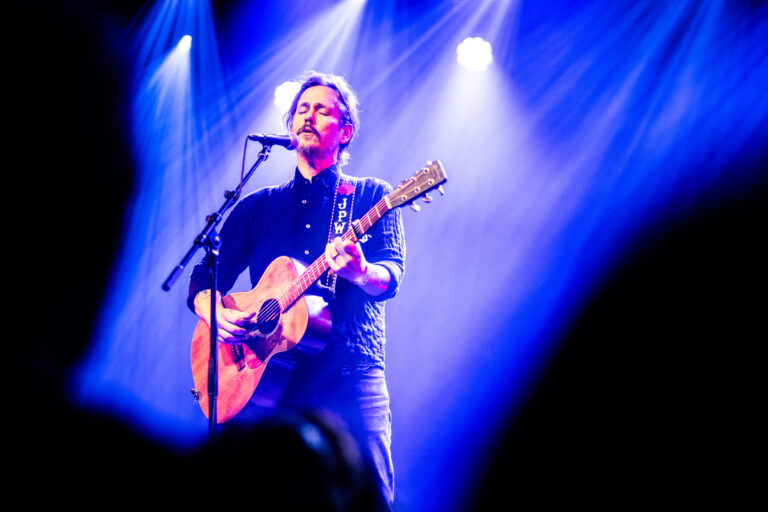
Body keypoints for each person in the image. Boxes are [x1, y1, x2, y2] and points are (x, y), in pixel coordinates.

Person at [187, 71, 405, 508]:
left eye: (322, 110)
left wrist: (361, 271)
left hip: (350, 372)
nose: (308, 116)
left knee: (370, 497)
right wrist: (215, 312)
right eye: (302, 109)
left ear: (345, 131)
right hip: (269, 379)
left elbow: (391, 277)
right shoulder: (257, 205)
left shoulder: (371, 195)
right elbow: (203, 276)